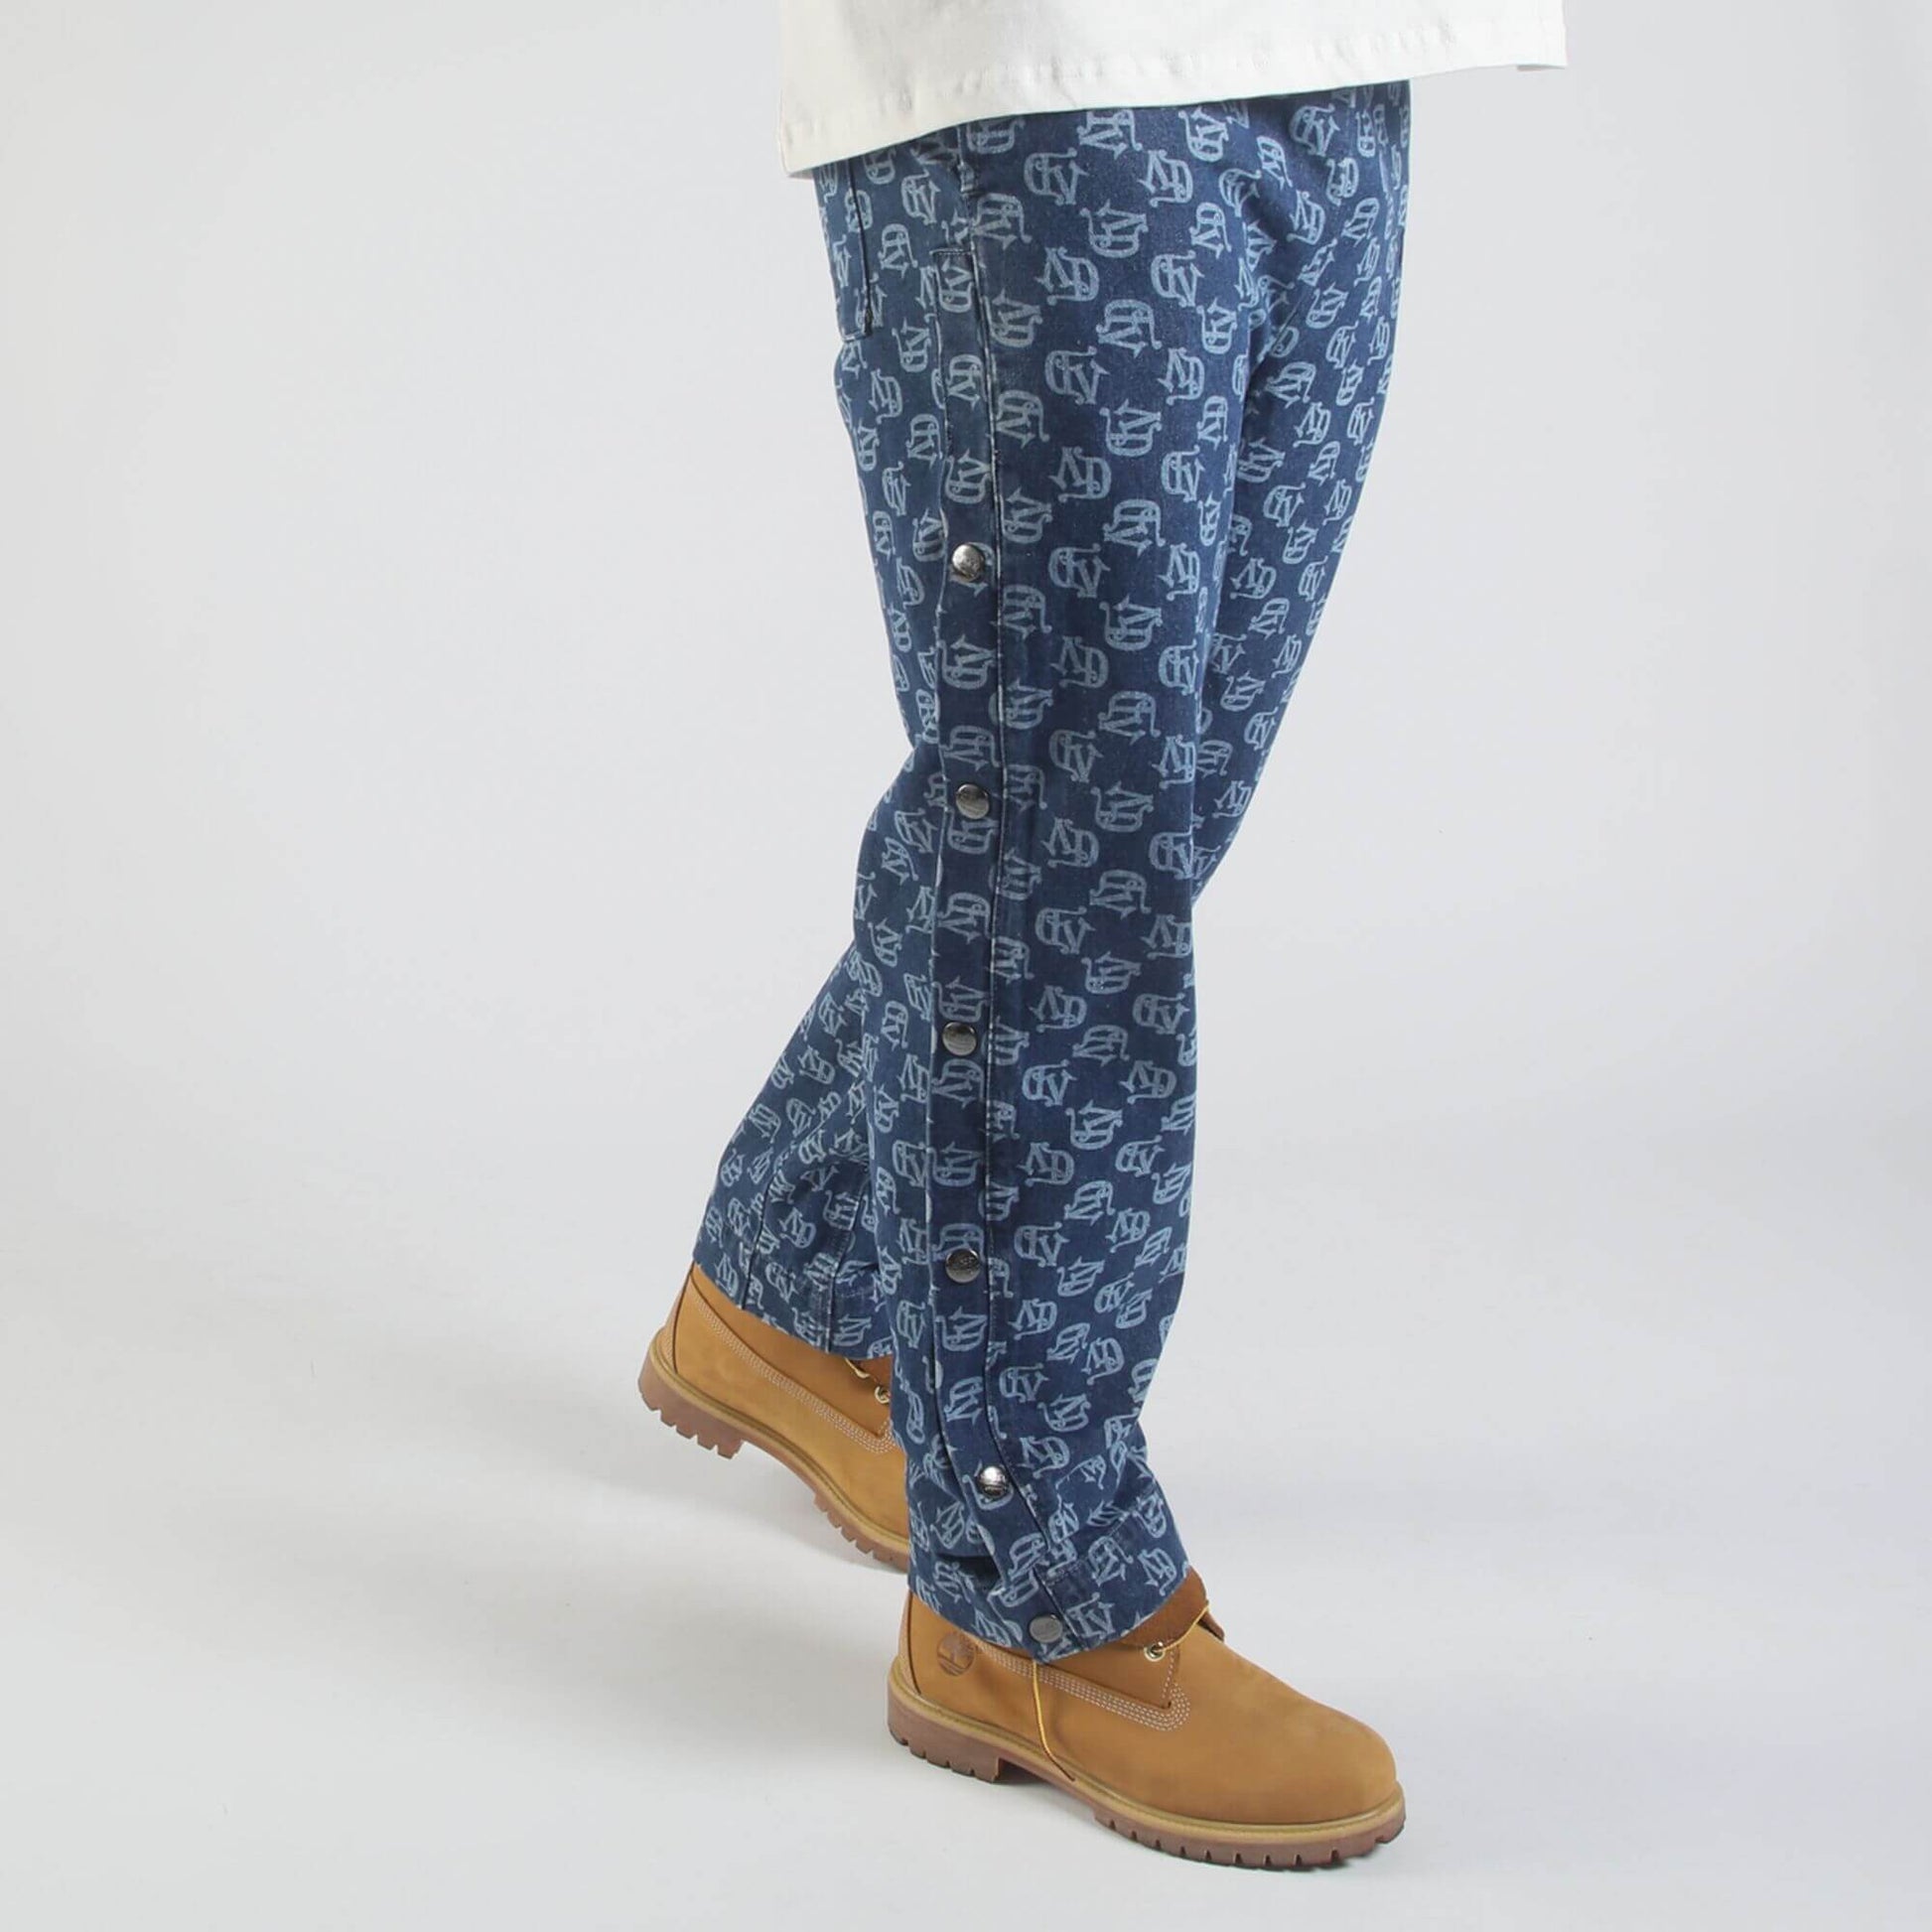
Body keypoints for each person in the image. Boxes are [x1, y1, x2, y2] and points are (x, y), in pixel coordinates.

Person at [640, 0, 1566, 1868]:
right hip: (1044, 83)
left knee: (1134, 801)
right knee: (1061, 826)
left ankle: (792, 1286)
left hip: (1351, 56)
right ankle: (1025, 1580)